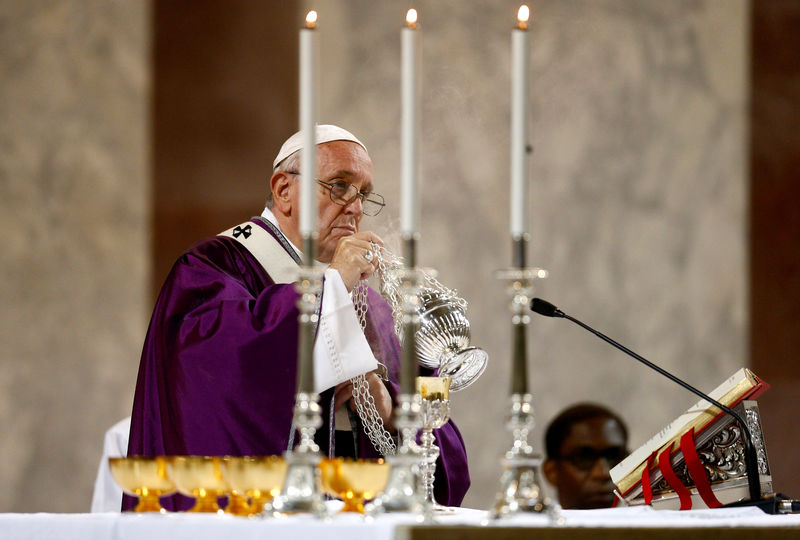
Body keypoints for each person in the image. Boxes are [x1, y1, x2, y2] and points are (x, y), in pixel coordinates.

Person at [124, 125, 470, 510]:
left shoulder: (374, 306)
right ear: (283, 190)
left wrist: (389, 408)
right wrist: (331, 288)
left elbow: (439, 426)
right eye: (339, 186)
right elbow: (211, 381)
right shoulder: (212, 267)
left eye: (365, 195)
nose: (355, 208)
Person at [542, 403, 629, 510]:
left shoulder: (647, 523)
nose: (603, 474)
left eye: (613, 456)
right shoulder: (528, 525)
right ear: (551, 471)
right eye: (584, 458)